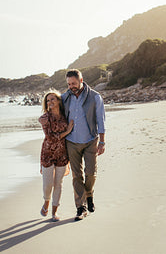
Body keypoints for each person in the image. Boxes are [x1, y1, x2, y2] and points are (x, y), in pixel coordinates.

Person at [62, 69, 106, 221]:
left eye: (74, 83)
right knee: (76, 176)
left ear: (81, 81)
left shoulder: (95, 97)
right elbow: (55, 114)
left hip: (90, 140)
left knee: (91, 173)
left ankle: (89, 195)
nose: (71, 86)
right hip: (71, 142)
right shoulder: (64, 97)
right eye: (68, 84)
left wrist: (102, 141)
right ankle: (81, 207)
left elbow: (101, 120)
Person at [39, 90, 74, 222]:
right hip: (48, 153)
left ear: (59, 101)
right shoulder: (45, 118)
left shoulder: (65, 115)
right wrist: (68, 131)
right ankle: (46, 202)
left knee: (58, 183)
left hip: (62, 153)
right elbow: (51, 138)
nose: (50, 102)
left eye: (53, 99)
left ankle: (54, 212)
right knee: (48, 184)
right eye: (48, 100)